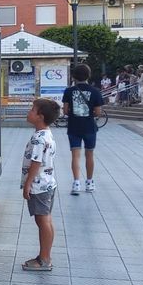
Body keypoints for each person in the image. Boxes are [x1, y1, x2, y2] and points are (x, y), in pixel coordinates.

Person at [21, 98, 61, 272]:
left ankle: (44, 259)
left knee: (42, 220)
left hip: (39, 185)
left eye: (32, 110)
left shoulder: (38, 138)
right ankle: (45, 256)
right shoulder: (47, 133)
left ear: (40, 117)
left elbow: (36, 162)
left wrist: (27, 185)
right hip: (48, 184)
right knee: (46, 220)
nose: (29, 112)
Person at [62, 64, 104, 195]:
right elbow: (98, 112)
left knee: (75, 155)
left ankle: (76, 183)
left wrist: (75, 113)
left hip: (74, 126)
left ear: (74, 76)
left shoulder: (69, 91)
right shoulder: (95, 91)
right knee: (89, 154)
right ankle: (90, 182)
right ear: (88, 75)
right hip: (90, 127)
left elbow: (65, 110)